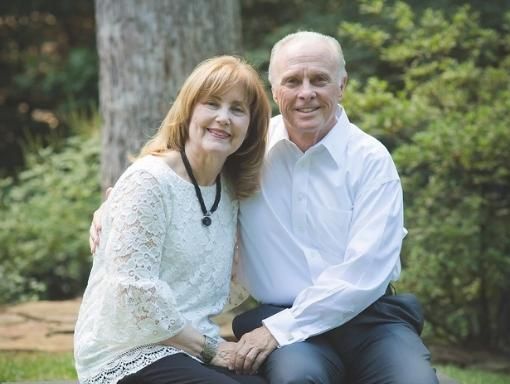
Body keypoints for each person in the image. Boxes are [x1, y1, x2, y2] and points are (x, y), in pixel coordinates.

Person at [91, 32, 439, 384]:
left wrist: (277, 331)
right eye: (292, 81)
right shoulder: (247, 153)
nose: (306, 93)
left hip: (369, 319)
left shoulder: (370, 160)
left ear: (341, 85)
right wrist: (112, 209)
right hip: (281, 318)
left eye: (319, 80)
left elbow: (366, 271)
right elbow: (176, 180)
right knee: (296, 381)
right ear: (275, 91)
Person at [75, 55, 270, 384]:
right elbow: (133, 295)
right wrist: (214, 350)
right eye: (212, 104)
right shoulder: (150, 181)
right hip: (130, 351)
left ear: (250, 126)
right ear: (189, 110)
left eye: (237, 109)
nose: (223, 118)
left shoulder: (232, 190)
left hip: (192, 346)